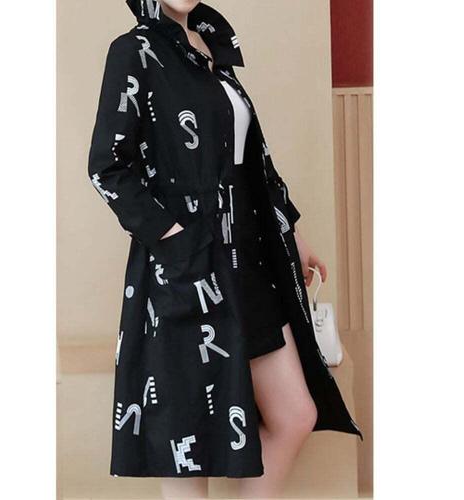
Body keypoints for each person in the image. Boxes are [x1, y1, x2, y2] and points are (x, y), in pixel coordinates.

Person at [88, 1, 362, 498]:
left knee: (295, 414)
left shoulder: (212, 49)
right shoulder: (134, 52)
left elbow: (250, 162)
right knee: (187, 439)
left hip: (248, 259)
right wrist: (175, 238)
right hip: (186, 268)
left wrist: (292, 234)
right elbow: (107, 166)